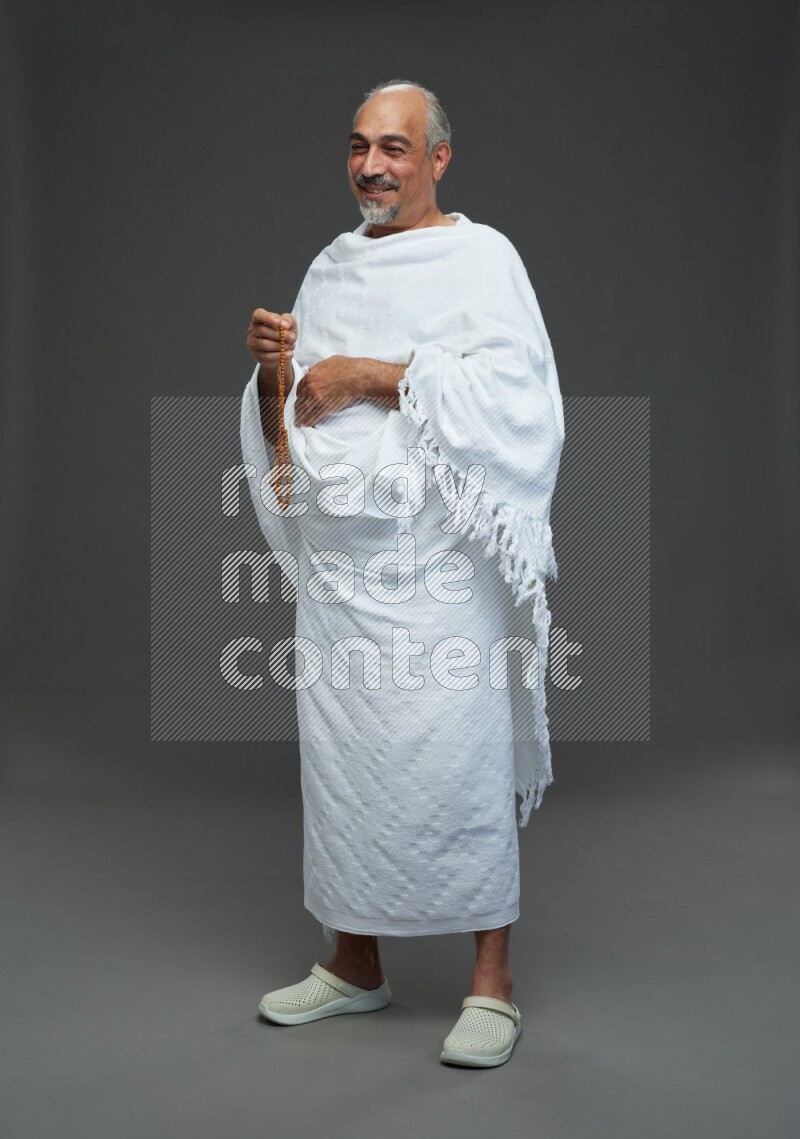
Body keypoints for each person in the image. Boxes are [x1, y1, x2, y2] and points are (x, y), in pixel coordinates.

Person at [239, 78, 564, 1068]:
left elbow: (520, 400)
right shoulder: (328, 267)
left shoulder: (482, 258)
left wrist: (378, 373)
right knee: (346, 763)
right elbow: (287, 432)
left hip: (440, 568)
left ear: (437, 160)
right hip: (344, 573)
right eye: (357, 146)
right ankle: (353, 960)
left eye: (392, 146)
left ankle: (490, 981)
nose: (371, 165)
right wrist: (272, 376)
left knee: (457, 752)